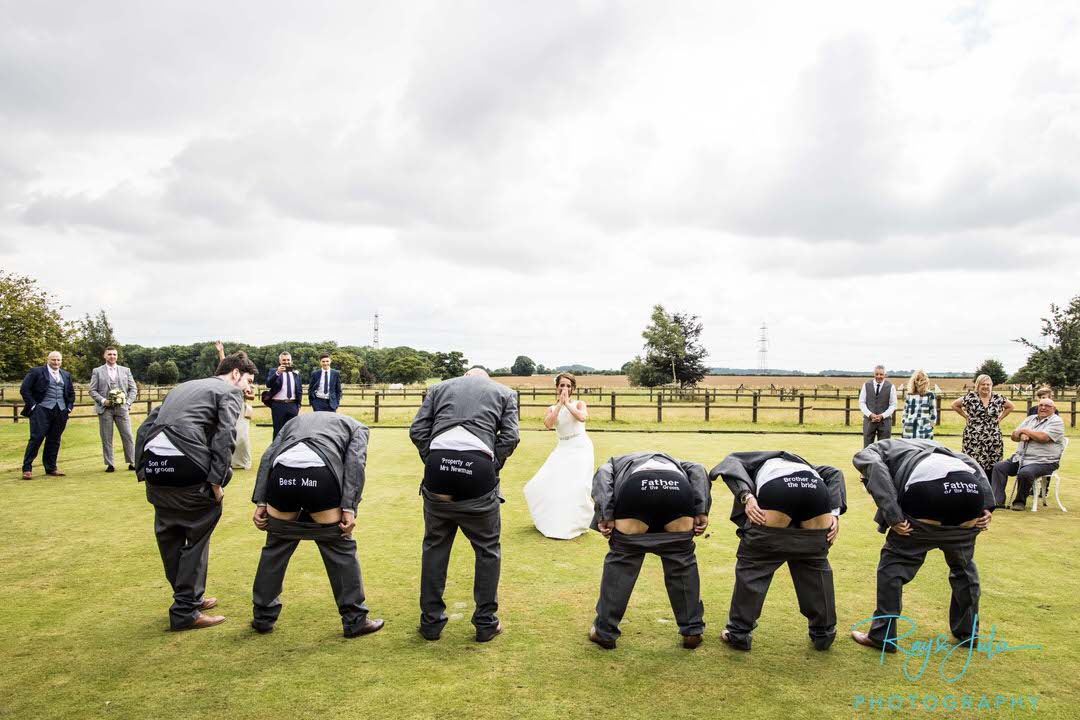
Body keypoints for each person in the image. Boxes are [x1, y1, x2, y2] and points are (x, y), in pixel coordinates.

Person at [134, 352, 258, 631]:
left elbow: (145, 427)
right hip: (188, 465)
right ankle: (185, 611)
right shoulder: (229, 392)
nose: (247, 388)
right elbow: (227, 435)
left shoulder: (182, 388)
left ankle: (190, 597)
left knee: (168, 534)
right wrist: (216, 482)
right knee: (198, 532)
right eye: (247, 380)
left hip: (155, 464)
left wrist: (143, 469)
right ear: (236, 373)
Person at [849, 439, 994, 652]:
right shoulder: (934, 446)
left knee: (893, 567)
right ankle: (968, 633)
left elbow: (876, 469)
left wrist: (893, 516)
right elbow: (970, 462)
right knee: (964, 567)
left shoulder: (872, 450)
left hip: (928, 493)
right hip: (970, 491)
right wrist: (987, 504)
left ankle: (882, 636)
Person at [408, 368, 520, 642]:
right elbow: (511, 437)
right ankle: (485, 623)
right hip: (479, 466)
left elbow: (418, 430)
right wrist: (490, 467)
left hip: (439, 465)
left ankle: (431, 623)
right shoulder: (505, 392)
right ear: (485, 379)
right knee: (487, 549)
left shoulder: (439, 388)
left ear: (466, 376)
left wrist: (433, 460)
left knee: (435, 546)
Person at [250, 411, 383, 637]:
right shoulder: (357, 427)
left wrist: (261, 501)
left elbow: (268, 456)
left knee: (276, 546)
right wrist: (349, 508)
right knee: (339, 547)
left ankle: (262, 618)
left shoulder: (294, 421)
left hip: (282, 478)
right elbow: (355, 464)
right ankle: (354, 620)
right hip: (320, 478)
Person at [709, 451, 845, 651]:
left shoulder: (756, 462)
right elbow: (834, 473)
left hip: (777, 488)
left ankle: (738, 633)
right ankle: (823, 634)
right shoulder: (807, 466)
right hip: (815, 488)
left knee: (754, 563)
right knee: (815, 562)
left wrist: (746, 497)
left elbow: (729, 463)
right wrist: (834, 513)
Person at [588, 452, 711, 650]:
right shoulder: (676, 461)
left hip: (636, 489)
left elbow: (603, 474)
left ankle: (604, 632)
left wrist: (605, 514)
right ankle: (692, 630)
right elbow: (697, 469)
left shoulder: (616, 461)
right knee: (681, 560)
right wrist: (701, 510)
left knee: (622, 560)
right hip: (677, 487)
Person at [523, 372, 594, 539]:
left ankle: (578, 523)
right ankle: (551, 520)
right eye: (562, 385)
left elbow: (582, 418)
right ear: (557, 387)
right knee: (542, 483)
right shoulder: (551, 408)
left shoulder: (579, 403)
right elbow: (548, 424)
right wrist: (559, 406)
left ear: (573, 389)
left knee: (577, 486)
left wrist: (567, 404)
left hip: (581, 447)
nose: (565, 388)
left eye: (568, 386)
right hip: (563, 447)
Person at [991, 398, 1065, 510]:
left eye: (1047, 406)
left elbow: (1043, 437)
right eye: (1041, 405)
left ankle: (1019, 502)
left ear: (1053, 409)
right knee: (999, 467)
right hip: (1020, 458)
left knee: (1025, 472)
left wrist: (1026, 431)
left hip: (1044, 461)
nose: (1043, 408)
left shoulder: (1056, 421)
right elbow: (1013, 436)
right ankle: (998, 500)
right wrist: (1021, 434)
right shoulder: (1030, 419)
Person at [20, 351, 75, 480]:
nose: (56, 363)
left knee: (54, 439)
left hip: (60, 410)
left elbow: (71, 393)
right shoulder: (36, 372)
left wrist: (69, 407)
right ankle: (27, 468)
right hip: (42, 409)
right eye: (53, 360)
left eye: (58, 360)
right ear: (48, 360)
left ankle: (51, 467)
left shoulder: (65, 375)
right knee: (37, 437)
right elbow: (24, 389)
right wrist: (34, 406)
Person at [951, 374, 1014, 479]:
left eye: (988, 384)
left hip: (993, 437)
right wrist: (965, 416)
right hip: (973, 437)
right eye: (983, 384)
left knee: (993, 464)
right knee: (973, 464)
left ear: (991, 385)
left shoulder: (998, 397)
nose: (986, 387)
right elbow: (954, 405)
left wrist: (1000, 417)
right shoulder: (971, 397)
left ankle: (991, 490)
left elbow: (1010, 406)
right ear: (978, 385)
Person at [88, 346, 139, 473]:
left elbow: (133, 389)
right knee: (106, 437)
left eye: (114, 355)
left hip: (122, 408)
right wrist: (102, 400)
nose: (112, 357)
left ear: (117, 356)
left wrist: (127, 403)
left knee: (127, 435)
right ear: (104, 356)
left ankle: (132, 462)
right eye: (110, 354)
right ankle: (110, 464)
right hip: (105, 409)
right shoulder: (97, 371)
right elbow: (92, 390)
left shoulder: (125, 370)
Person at [215, 341, 255, 469]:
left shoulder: (247, 380)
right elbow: (226, 369)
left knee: (242, 436)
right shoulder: (234, 378)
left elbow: (252, 396)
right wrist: (221, 352)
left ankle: (245, 461)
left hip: (242, 408)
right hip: (230, 407)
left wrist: (246, 394)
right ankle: (230, 461)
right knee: (231, 434)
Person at [266, 350, 302, 438]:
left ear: (291, 360)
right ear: (280, 361)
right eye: (284, 360)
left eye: (288, 360)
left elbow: (299, 390)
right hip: (278, 405)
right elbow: (268, 384)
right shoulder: (274, 371)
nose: (286, 362)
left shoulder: (295, 373)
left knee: (292, 430)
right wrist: (277, 373)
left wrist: (298, 405)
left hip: (292, 404)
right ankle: (276, 451)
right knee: (278, 431)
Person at [859, 365, 896, 447]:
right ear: (874, 374)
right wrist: (870, 414)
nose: (879, 376)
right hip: (869, 421)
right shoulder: (866, 385)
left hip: (885, 422)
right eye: (877, 374)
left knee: (884, 447)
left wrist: (882, 415)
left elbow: (893, 404)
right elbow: (862, 402)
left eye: (881, 374)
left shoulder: (891, 387)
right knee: (867, 446)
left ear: (885, 375)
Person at [900, 369, 937, 440]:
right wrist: (904, 421)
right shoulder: (909, 395)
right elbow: (905, 411)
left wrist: (931, 424)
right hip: (909, 429)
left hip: (924, 429)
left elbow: (933, 412)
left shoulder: (929, 395)